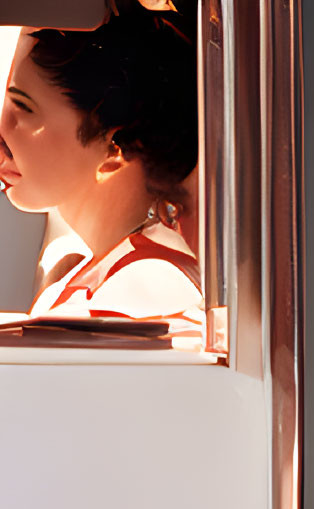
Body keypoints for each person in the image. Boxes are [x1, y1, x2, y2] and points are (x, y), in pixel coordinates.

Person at [0, 2, 199, 342]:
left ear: (113, 150)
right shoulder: (86, 279)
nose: (3, 125)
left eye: (22, 106)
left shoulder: (145, 287)